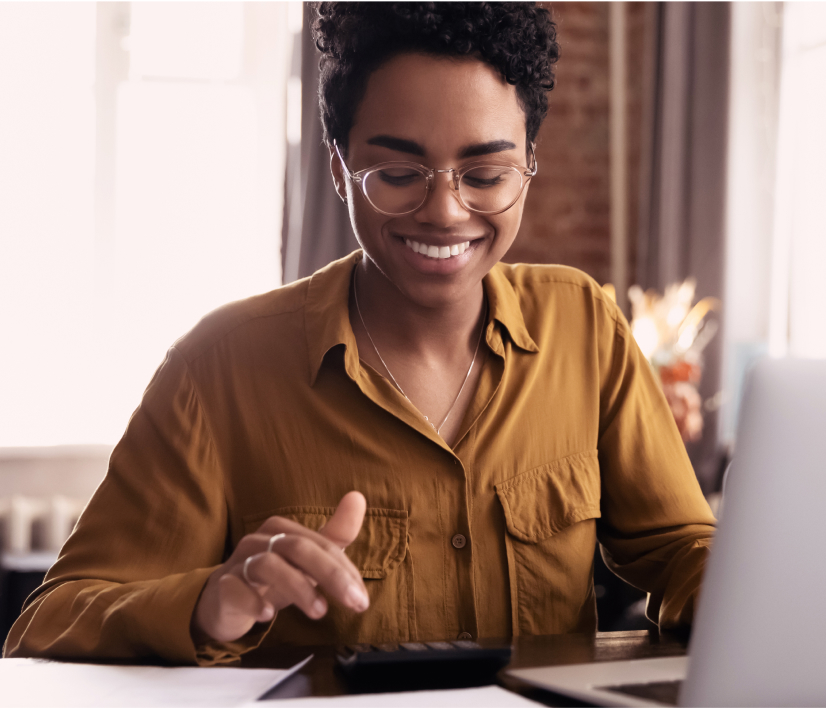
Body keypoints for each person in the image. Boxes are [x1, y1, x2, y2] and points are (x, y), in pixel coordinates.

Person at [4, 3, 715, 665]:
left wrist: (743, 583)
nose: (444, 210)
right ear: (340, 169)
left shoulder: (582, 325)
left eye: (486, 173)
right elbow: (45, 627)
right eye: (398, 173)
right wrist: (208, 604)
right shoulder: (218, 369)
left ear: (528, 165)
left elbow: (680, 548)